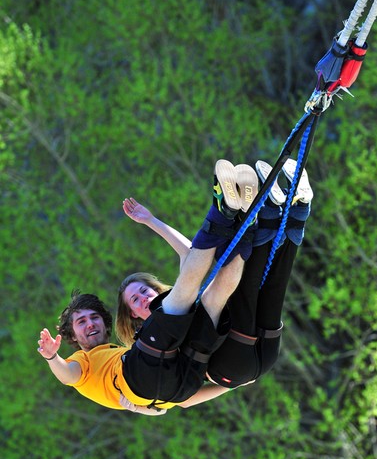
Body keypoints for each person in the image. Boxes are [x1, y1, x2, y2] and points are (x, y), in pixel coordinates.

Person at [37, 160, 260, 413]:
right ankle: (223, 214)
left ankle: (243, 227)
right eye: (82, 322)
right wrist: (51, 357)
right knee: (191, 287)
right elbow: (67, 375)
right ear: (73, 337)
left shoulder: (121, 351)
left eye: (94, 318)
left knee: (213, 294)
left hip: (171, 385)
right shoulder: (83, 362)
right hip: (149, 383)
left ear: (105, 322)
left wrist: (152, 220)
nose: (90, 324)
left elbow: (175, 403)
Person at [116, 158, 313, 408]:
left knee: (274, 288)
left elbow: (191, 256)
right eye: (136, 299)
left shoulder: (177, 303)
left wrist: (151, 221)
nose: (145, 297)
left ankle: (295, 212)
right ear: (133, 316)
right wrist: (228, 385)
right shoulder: (151, 342)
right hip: (229, 366)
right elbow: (182, 402)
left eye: (145, 290)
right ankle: (254, 217)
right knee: (239, 289)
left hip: (259, 355)